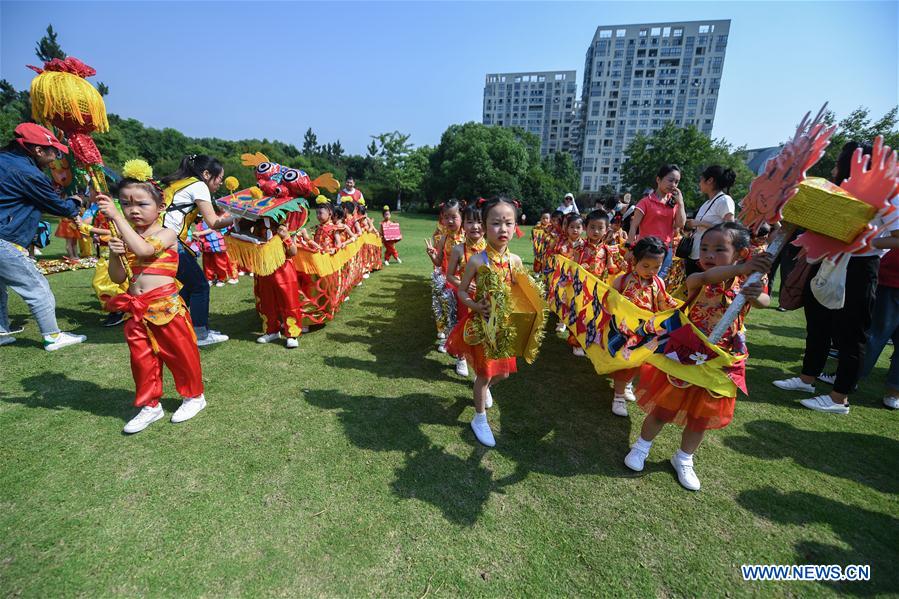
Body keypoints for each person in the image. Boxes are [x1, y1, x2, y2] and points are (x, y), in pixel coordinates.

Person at [625, 223, 772, 490]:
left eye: (719, 249)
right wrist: (740, 269)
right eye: (704, 248)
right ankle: (641, 447)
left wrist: (755, 294)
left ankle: (684, 459)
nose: (708, 254)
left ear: (741, 252)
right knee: (665, 406)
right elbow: (702, 280)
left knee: (701, 416)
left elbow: (765, 301)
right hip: (686, 353)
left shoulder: (749, 280)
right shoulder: (698, 277)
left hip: (721, 358)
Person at [773, 141, 899, 414]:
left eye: (841, 160)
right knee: (818, 323)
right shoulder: (839, 190)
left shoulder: (889, 192)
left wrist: (866, 242)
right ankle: (807, 378)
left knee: (851, 334)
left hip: (859, 268)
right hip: (828, 261)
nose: (835, 166)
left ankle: (839, 397)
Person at [97, 162, 206, 434]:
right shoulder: (127, 237)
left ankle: (194, 397)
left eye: (141, 204)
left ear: (160, 207)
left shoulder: (166, 233)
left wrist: (117, 220)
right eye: (125, 204)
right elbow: (119, 277)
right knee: (142, 360)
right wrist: (113, 251)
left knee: (180, 355)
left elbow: (145, 250)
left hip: (166, 306)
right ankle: (150, 405)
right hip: (136, 309)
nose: (132, 210)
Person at [0, 123, 86, 351]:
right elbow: (60, 207)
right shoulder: (27, 172)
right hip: (4, 239)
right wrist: (76, 201)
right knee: (37, 286)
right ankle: (53, 336)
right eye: (53, 151)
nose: (55, 157)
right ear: (38, 150)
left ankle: (0, 331)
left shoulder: (4, 160)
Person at [447, 197, 524, 447]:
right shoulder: (477, 260)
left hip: (503, 328)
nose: (503, 229)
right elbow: (461, 292)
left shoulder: (516, 261)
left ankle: (485, 388)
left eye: (508, 223)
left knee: (503, 374)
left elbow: (520, 293)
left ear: (515, 227)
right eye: (496, 223)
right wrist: (474, 305)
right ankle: (479, 418)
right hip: (481, 327)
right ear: (485, 225)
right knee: (483, 373)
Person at [160, 155, 236, 346]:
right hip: (171, 243)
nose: (220, 183)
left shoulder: (179, 183)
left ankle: (181, 327)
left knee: (188, 286)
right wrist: (239, 218)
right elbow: (214, 221)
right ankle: (200, 334)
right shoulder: (198, 185)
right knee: (201, 286)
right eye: (219, 178)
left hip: (160, 239)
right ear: (206, 174)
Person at [610, 237, 679, 416]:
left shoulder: (659, 283)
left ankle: (628, 385)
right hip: (626, 330)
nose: (651, 271)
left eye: (657, 267)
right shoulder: (623, 280)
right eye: (646, 266)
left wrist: (676, 309)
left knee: (640, 362)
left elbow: (664, 303)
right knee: (624, 363)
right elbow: (610, 301)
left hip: (647, 331)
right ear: (635, 261)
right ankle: (618, 395)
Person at [445, 203, 487, 377]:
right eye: (470, 222)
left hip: (485, 300)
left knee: (484, 334)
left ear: (485, 224)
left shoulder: (491, 249)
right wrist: (462, 283)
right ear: (464, 226)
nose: (474, 226)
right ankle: (461, 357)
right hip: (465, 299)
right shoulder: (457, 249)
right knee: (465, 329)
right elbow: (449, 276)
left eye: (478, 221)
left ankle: (481, 376)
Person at [627, 165, 686, 278]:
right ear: (658, 179)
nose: (673, 184)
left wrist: (681, 203)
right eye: (670, 180)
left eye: (676, 182)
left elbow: (680, 224)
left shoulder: (674, 203)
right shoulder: (645, 202)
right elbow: (634, 226)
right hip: (646, 250)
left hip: (665, 251)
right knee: (638, 281)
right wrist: (629, 248)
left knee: (658, 283)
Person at [253, 222, 303, 349]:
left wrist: (285, 236)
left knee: (289, 303)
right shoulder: (258, 227)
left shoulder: (285, 227)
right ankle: (272, 331)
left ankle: (291, 335)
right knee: (267, 302)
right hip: (265, 270)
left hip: (284, 270)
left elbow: (293, 252)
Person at [859, 249, 899, 409]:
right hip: (892, 278)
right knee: (876, 335)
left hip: (893, 280)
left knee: (875, 335)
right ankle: (894, 393)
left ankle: (850, 378)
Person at [425, 199, 464, 351]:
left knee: (462, 316)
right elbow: (439, 262)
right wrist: (431, 254)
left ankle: (461, 351)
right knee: (448, 313)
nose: (449, 220)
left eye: (454, 217)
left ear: (462, 217)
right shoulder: (443, 239)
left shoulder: (468, 237)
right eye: (446, 217)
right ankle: (449, 339)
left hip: (465, 283)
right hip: (448, 281)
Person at [684, 165, 736, 275]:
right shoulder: (707, 202)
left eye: (701, 180)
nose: (699, 183)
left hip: (710, 258)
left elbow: (729, 229)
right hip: (695, 254)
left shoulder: (724, 200)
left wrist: (700, 223)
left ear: (710, 180)